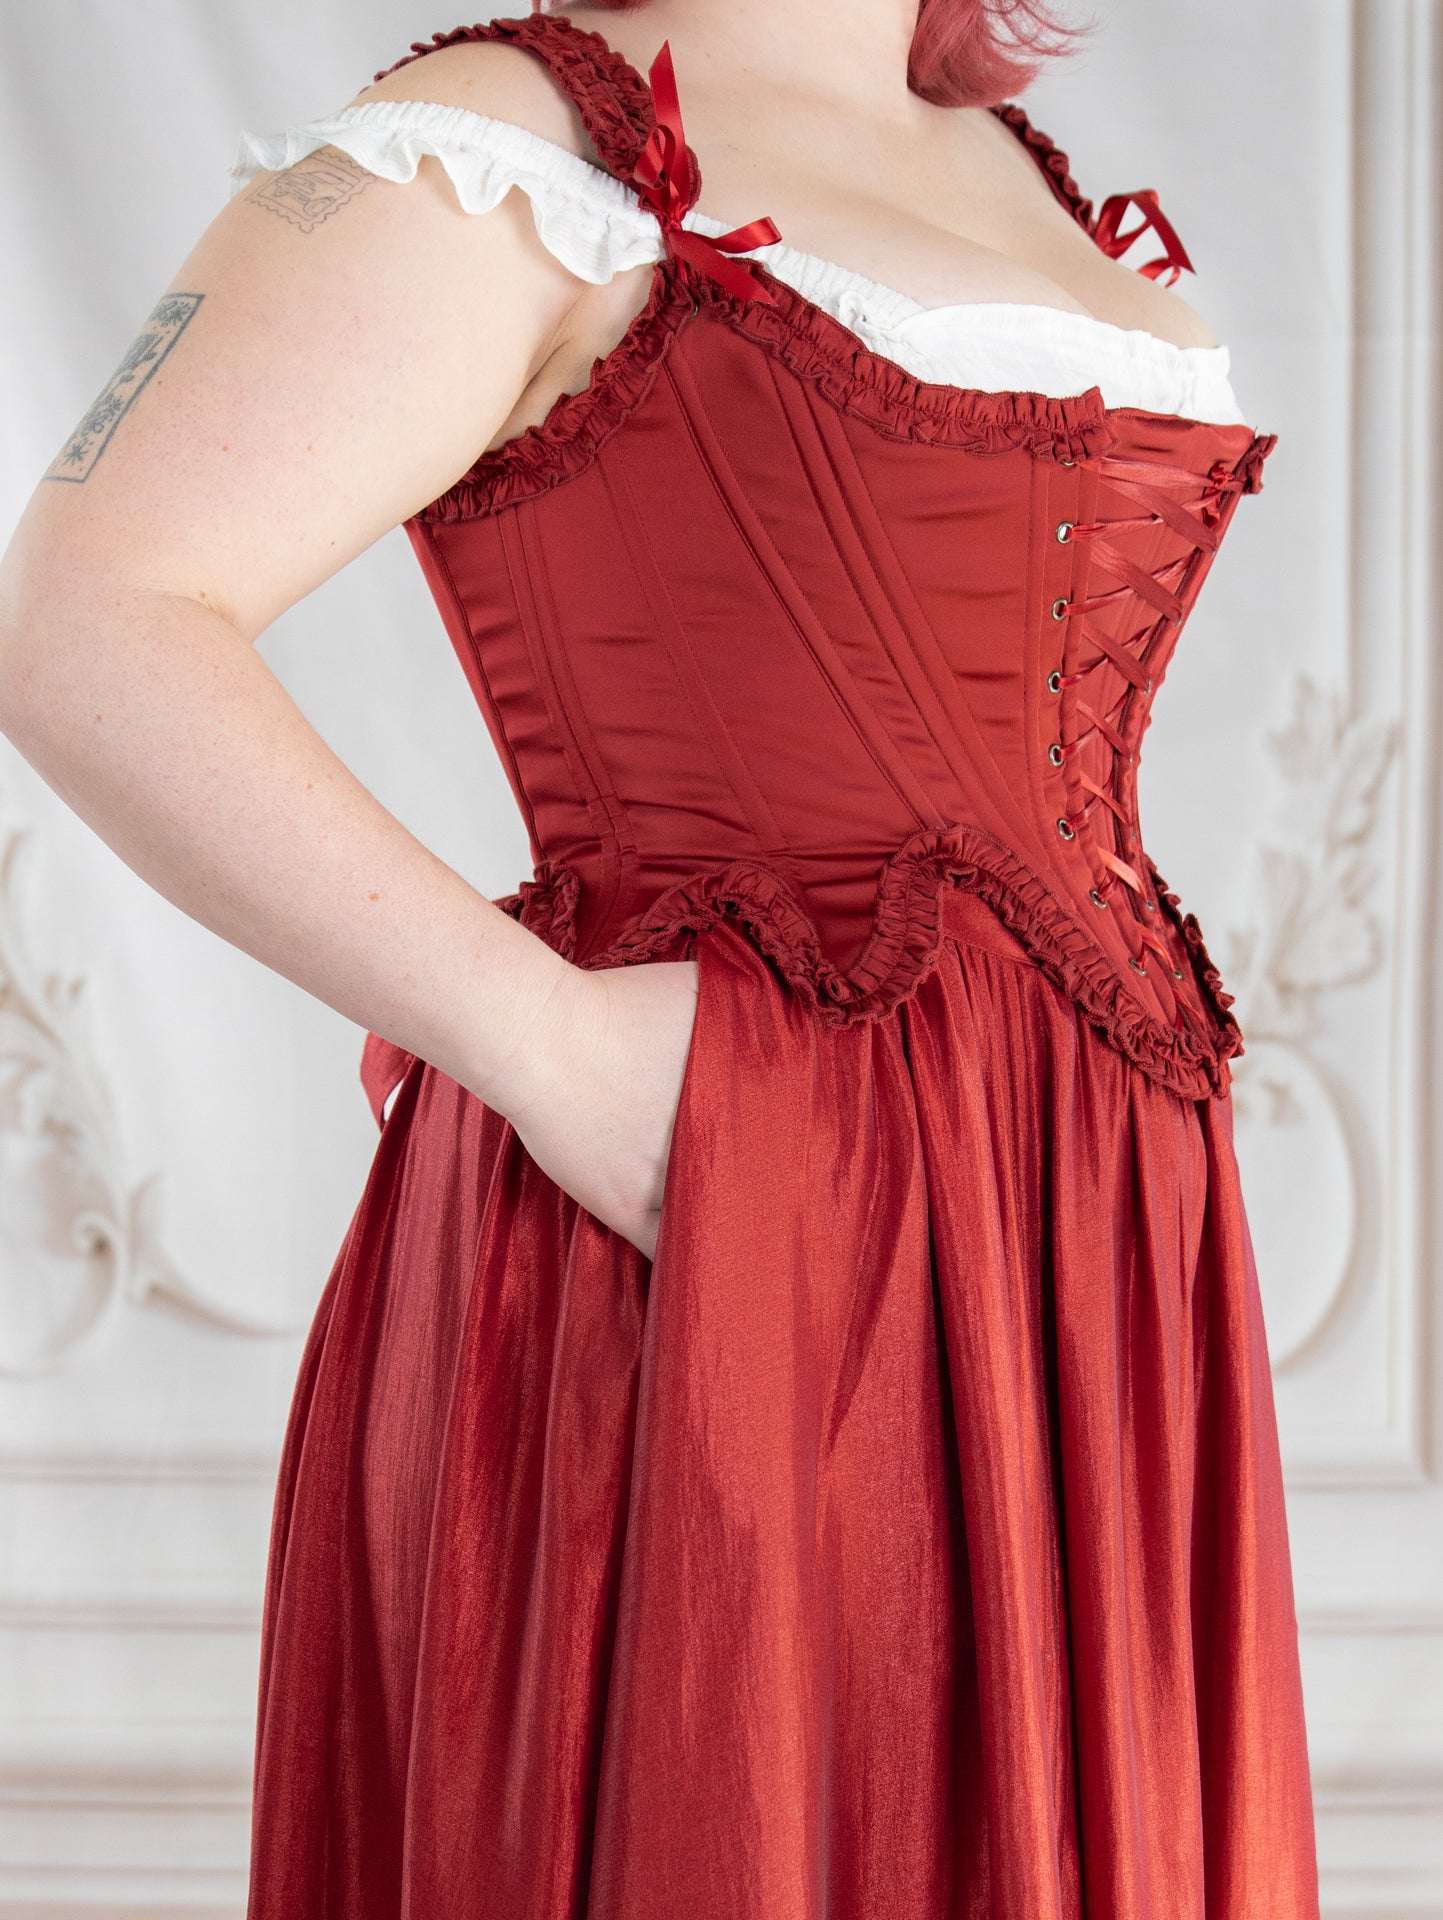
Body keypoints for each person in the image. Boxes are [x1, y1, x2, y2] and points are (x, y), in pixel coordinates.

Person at [0, 1, 1321, 1913]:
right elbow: (91, 619)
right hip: (730, 1195)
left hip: (1076, 1225)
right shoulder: (525, 136)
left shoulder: (1003, 162)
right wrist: (552, 1053)